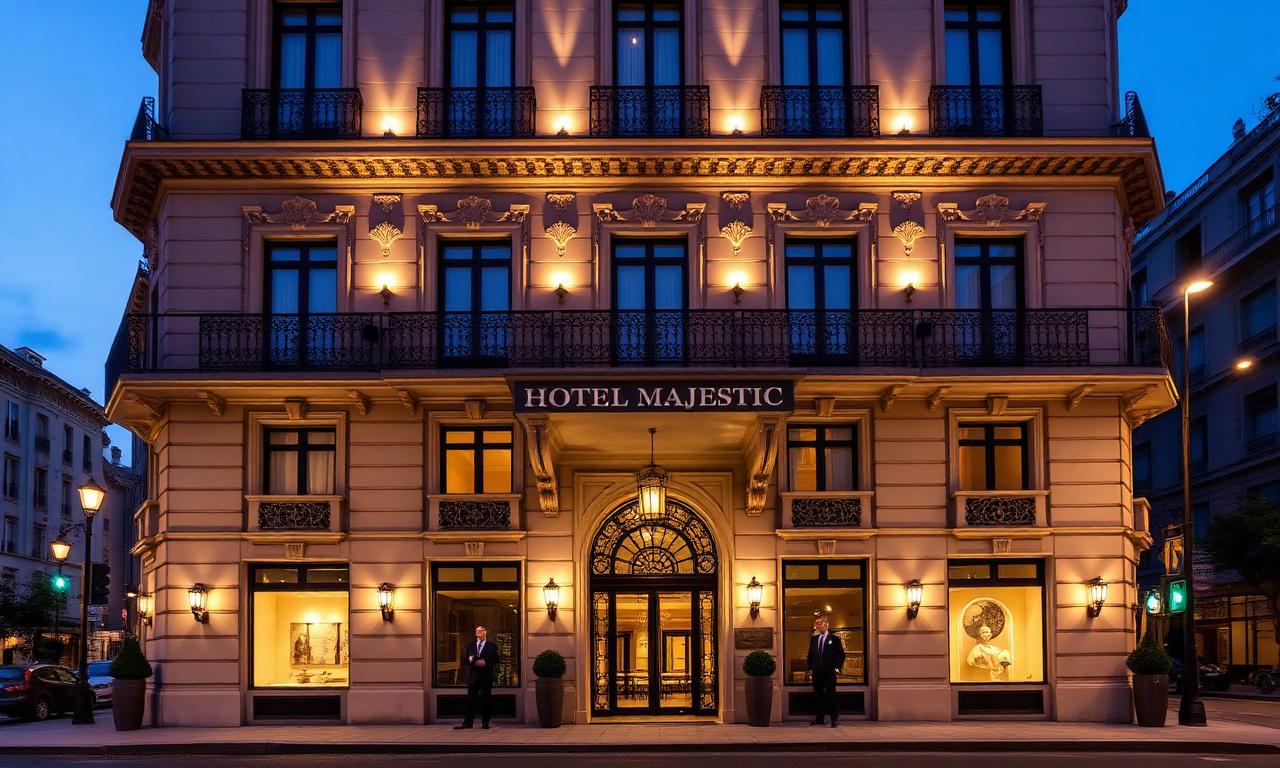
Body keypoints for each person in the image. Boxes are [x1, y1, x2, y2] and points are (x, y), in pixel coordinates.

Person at [455, 624, 501, 729]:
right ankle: (468, 723)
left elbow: (497, 659)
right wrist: (471, 661)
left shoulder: (491, 646)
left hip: (486, 677)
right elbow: (466, 660)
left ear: (485, 632)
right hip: (473, 677)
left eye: (480, 630)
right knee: (470, 700)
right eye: (477, 630)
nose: (478, 632)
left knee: (486, 700)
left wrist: (486, 662)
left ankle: (485, 723)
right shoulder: (471, 645)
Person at [806, 616, 845, 727]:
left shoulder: (834, 639)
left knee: (830, 694)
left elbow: (841, 654)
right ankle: (820, 717)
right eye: (817, 624)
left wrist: (837, 667)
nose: (819, 625)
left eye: (821, 623)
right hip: (817, 672)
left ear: (827, 625)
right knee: (818, 695)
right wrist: (810, 669)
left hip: (829, 672)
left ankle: (834, 718)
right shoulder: (814, 639)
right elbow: (810, 655)